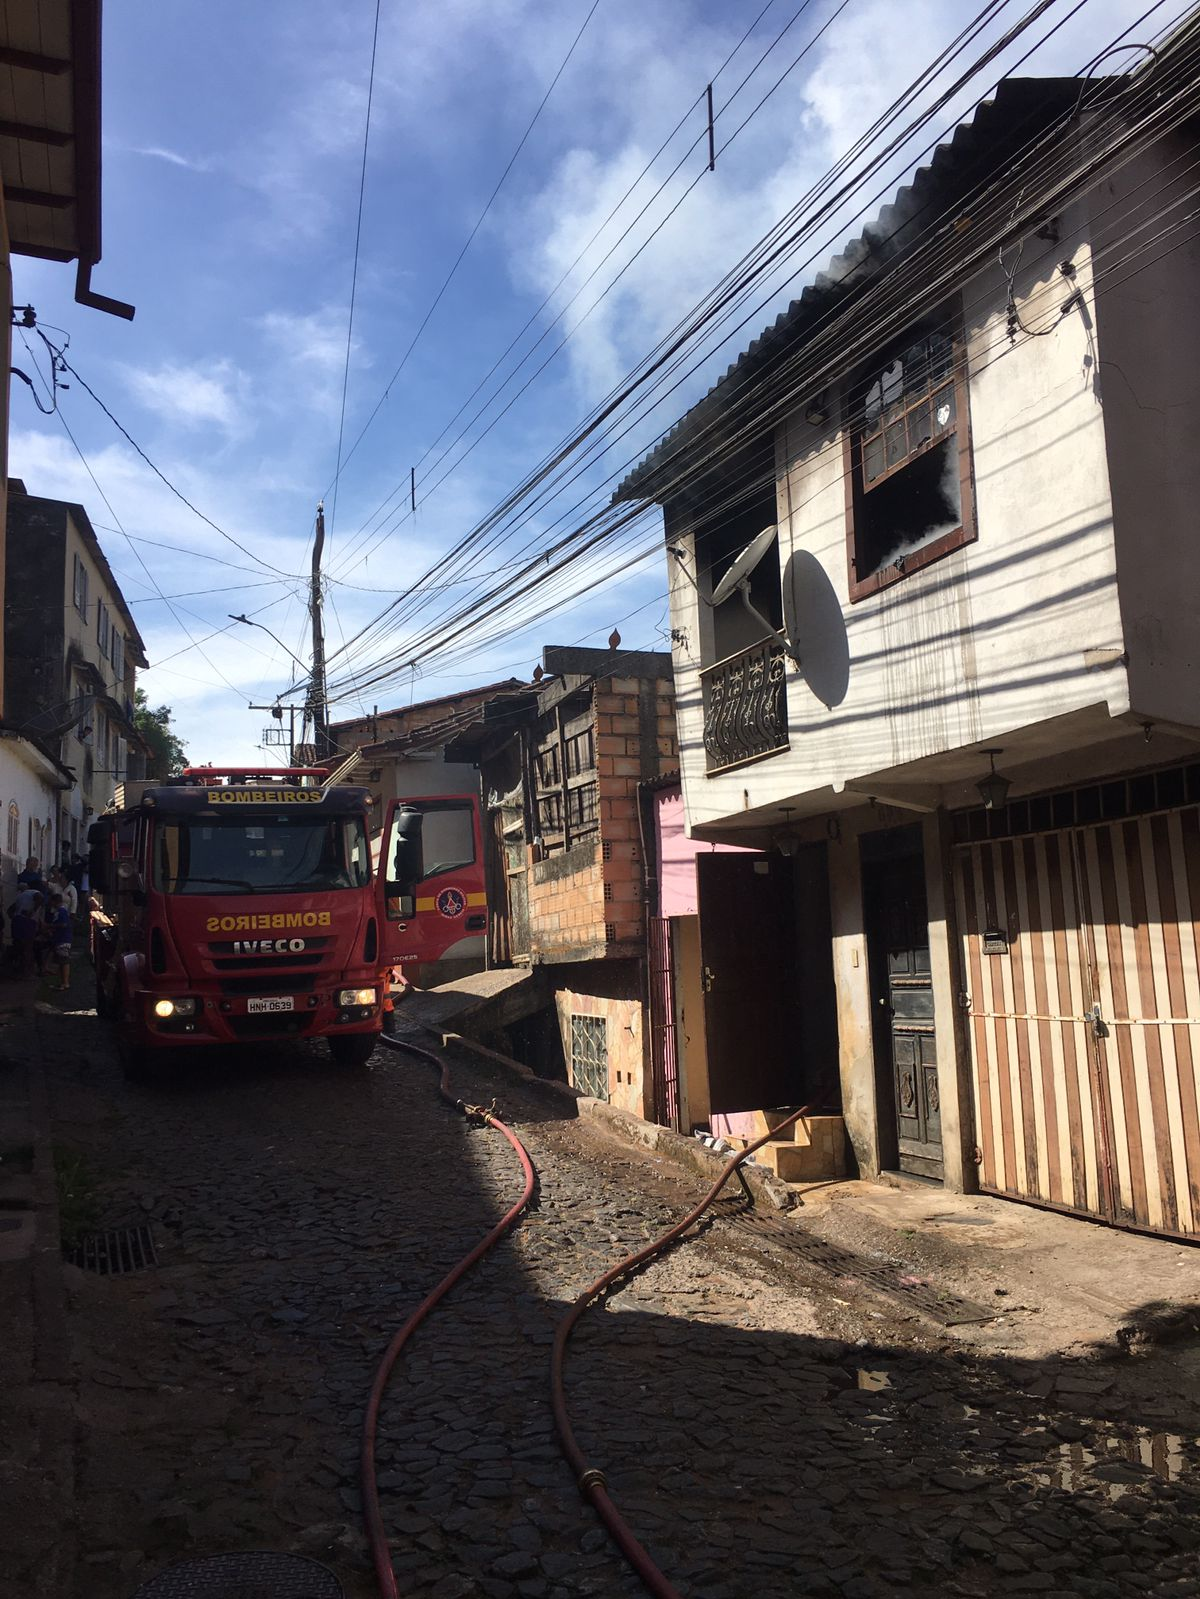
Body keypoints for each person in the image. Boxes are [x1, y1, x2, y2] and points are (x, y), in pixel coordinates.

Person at [9, 886, 42, 978]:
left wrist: (15, 917)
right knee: (28, 948)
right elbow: (39, 897)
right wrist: (33, 911)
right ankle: (26, 972)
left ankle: (16, 969)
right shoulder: (35, 892)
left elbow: (10, 910)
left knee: (18, 946)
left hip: (17, 921)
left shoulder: (20, 897)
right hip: (27, 922)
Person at [45, 893, 72, 992]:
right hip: (60, 939)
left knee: (64, 961)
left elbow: (63, 924)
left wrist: (50, 926)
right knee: (61, 962)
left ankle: (65, 982)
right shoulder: (59, 911)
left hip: (63, 939)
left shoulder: (61, 911)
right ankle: (63, 982)